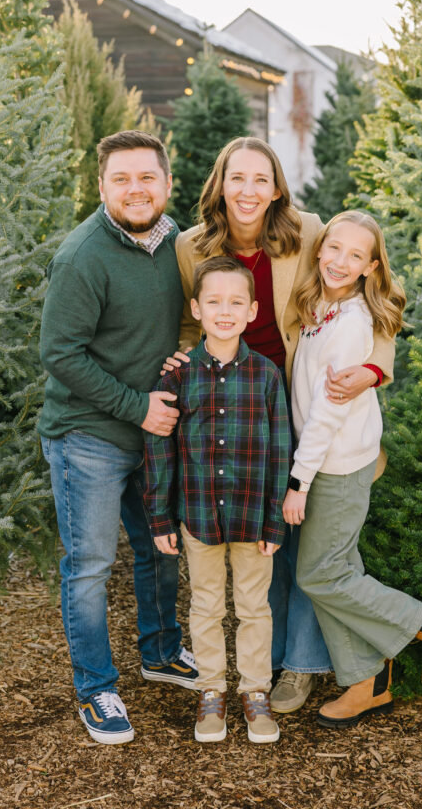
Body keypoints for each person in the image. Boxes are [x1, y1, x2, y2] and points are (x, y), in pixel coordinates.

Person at [171, 136, 396, 713]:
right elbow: (190, 321)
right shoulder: (190, 245)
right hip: (237, 404)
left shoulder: (309, 229)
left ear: (277, 189)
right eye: (237, 178)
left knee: (301, 546)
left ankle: (302, 664)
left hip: (301, 398)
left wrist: (373, 369)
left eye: (261, 180)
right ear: (220, 183)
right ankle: (262, 662)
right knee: (260, 537)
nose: (248, 192)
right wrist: (180, 361)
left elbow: (368, 298)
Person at [38, 130, 198, 746]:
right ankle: (95, 687)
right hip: (90, 437)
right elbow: (60, 354)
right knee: (91, 564)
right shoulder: (83, 257)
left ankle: (161, 653)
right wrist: (137, 408)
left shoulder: (175, 242)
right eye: (121, 179)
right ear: (101, 186)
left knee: (159, 548)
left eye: (146, 178)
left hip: (152, 434)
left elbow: (187, 314)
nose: (136, 190)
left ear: (165, 181)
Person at [283, 211, 422, 728]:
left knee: (321, 573)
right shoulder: (320, 304)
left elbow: (327, 413)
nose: (340, 261)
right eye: (333, 248)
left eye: (355, 255)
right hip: (322, 460)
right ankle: (368, 682)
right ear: (319, 250)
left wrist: (299, 481)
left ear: (371, 266)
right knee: (337, 571)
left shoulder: (352, 323)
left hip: (337, 466)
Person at [143, 257, 291, 744]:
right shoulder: (178, 376)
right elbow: (160, 449)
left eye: (235, 302)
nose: (224, 311)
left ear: (251, 311)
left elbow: (278, 450)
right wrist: (160, 517)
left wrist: (275, 522)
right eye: (213, 302)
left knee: (254, 607)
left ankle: (254, 692)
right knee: (205, 606)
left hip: (253, 516)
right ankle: (211, 692)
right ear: (197, 308)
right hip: (199, 515)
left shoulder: (267, 376)